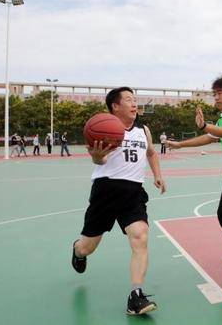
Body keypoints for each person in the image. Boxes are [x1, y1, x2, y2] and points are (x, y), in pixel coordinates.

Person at [70, 87, 167, 315]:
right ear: (115, 106)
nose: (134, 104)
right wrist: (96, 157)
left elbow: (151, 153)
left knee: (140, 236)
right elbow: (99, 160)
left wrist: (158, 175)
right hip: (106, 190)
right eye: (129, 100)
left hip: (133, 192)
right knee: (88, 246)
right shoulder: (103, 128)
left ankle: (136, 295)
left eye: (135, 100)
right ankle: (78, 250)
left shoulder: (143, 130)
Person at [166, 77, 222, 288]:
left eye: (219, 93)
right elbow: (212, 137)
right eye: (214, 94)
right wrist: (180, 145)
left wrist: (205, 125)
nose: (215, 97)